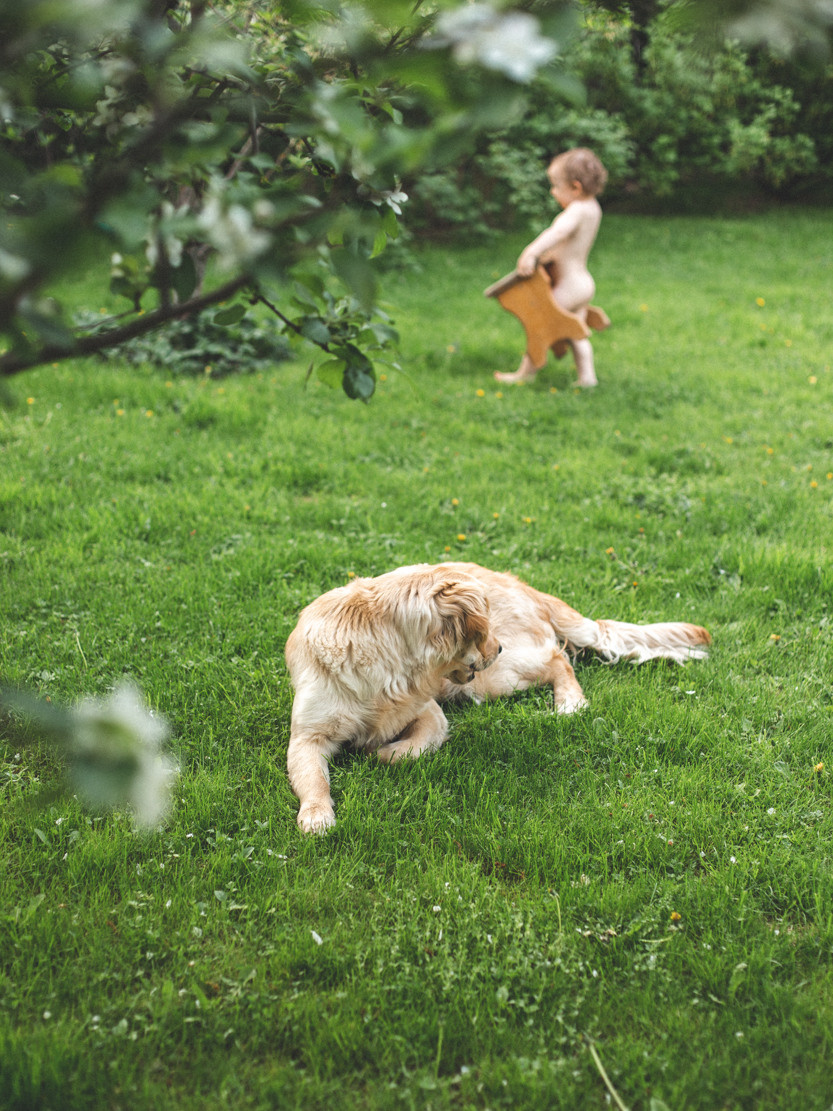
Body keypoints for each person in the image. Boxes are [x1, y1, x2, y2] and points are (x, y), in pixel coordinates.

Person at [495, 147, 607, 387]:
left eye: (556, 186)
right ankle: (587, 378)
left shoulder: (576, 211)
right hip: (583, 283)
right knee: (576, 331)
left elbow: (556, 233)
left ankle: (525, 374)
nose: (553, 191)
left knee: (540, 324)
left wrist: (532, 252)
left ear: (575, 187)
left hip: (569, 285)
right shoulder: (593, 209)